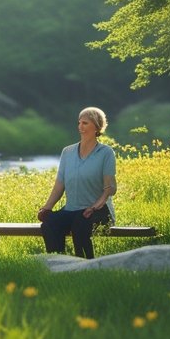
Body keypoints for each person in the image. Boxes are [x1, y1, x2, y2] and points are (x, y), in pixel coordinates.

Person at [38, 107, 117, 259]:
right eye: (79, 122)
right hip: (72, 210)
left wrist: (94, 207)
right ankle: (58, 262)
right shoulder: (67, 152)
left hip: (99, 211)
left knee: (80, 222)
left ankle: (86, 265)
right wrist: (47, 208)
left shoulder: (106, 153)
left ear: (97, 126)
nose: (80, 127)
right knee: (49, 224)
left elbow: (110, 188)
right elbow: (60, 184)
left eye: (85, 123)